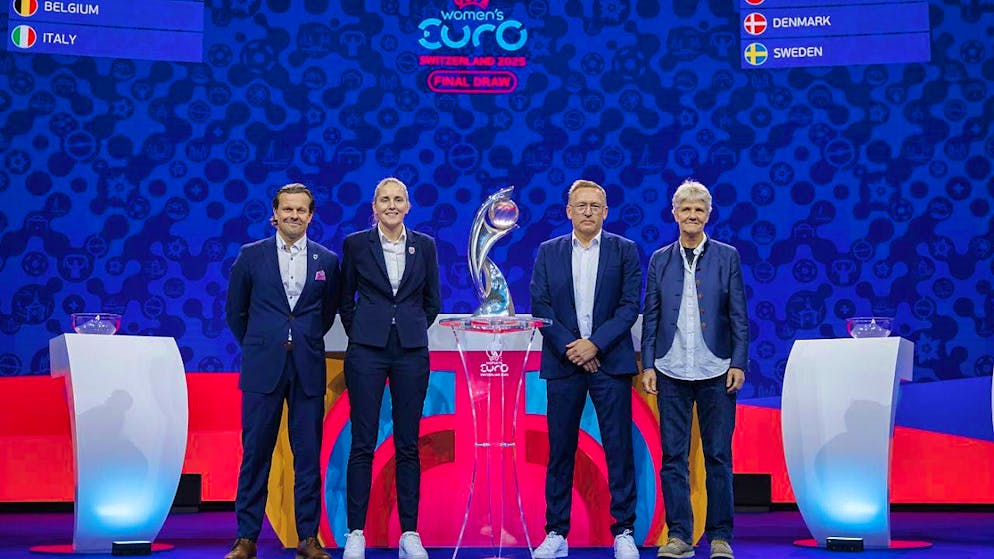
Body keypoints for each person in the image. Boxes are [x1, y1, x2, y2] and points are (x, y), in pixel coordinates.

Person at [225, 183, 341, 559]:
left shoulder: (327, 261)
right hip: (263, 368)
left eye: (301, 210)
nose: (294, 216)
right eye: (287, 210)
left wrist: (300, 338)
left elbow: (326, 315)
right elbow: (235, 313)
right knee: (255, 453)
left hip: (307, 365)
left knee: (307, 454)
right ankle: (246, 538)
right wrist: (262, 342)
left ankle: (308, 538)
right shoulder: (250, 256)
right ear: (274, 214)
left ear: (311, 215)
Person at [529, 180, 643, 559]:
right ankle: (556, 531)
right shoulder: (549, 252)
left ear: (606, 211)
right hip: (564, 364)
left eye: (595, 206)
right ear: (569, 211)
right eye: (581, 206)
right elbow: (541, 307)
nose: (588, 212)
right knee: (560, 450)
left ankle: (623, 529)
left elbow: (629, 306)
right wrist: (573, 347)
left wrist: (595, 344)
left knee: (618, 448)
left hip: (610, 362)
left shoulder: (624, 251)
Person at [640, 179, 748, 559]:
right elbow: (651, 315)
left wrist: (739, 362)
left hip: (717, 369)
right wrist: (649, 364)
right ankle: (680, 535)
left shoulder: (727, 256)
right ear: (674, 214)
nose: (692, 215)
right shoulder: (659, 259)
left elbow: (738, 314)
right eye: (685, 209)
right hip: (670, 369)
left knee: (718, 455)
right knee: (673, 457)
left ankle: (720, 536)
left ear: (708, 215)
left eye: (698, 210)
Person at [339, 177, 440, 559]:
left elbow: (432, 301)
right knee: (362, 442)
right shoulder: (356, 245)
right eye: (385, 200)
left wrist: (407, 328)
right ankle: (356, 531)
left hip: (411, 352)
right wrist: (365, 331)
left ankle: (409, 533)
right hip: (366, 350)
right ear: (374, 206)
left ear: (408, 206)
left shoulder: (425, 246)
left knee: (408, 444)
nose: (392, 205)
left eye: (399, 200)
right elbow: (344, 299)